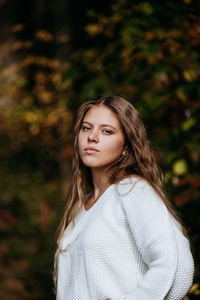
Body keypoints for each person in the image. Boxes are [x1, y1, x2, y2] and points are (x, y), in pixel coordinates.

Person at [54, 95, 194, 300]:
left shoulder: (132, 190)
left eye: (107, 131)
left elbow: (177, 268)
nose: (92, 137)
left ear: (126, 146)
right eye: (86, 128)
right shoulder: (80, 208)